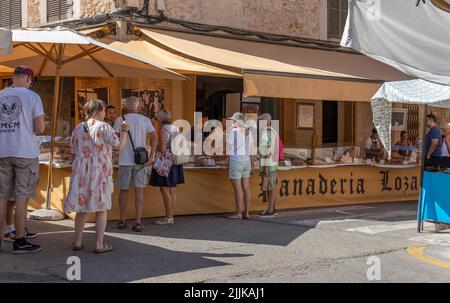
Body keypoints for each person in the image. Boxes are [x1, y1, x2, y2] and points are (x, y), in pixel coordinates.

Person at [65, 100, 128, 253]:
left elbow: (73, 151)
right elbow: (119, 146)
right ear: (99, 110)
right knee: (101, 208)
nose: (105, 112)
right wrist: (125, 131)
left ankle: (78, 242)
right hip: (99, 171)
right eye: (104, 110)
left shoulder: (78, 127)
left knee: (81, 208)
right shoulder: (104, 126)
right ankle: (99, 244)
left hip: (81, 171)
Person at [0, 66, 45, 253]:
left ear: (13, 77)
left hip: (3, 151)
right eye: (31, 80)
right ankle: (19, 240)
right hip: (25, 153)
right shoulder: (32, 97)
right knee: (21, 198)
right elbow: (40, 128)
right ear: (27, 78)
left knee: (1, 197)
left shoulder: (0, 94)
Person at [114, 96, 157, 232]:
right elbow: (154, 137)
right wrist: (152, 156)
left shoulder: (120, 120)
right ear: (138, 107)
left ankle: (122, 219)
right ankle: (138, 221)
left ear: (126, 107)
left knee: (123, 191)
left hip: (124, 160)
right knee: (139, 192)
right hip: (141, 161)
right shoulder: (144, 120)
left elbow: (115, 140)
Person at [150, 109, 185, 225]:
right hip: (174, 162)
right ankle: (171, 215)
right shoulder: (174, 127)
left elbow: (163, 148)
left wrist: (154, 145)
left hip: (165, 163)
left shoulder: (162, 129)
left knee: (164, 190)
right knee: (172, 190)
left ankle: (168, 217)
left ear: (160, 118)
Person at [226, 112, 256, 220]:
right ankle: (247, 212)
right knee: (246, 188)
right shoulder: (249, 132)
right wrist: (252, 164)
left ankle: (238, 213)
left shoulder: (234, 132)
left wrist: (226, 160)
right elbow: (252, 150)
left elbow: (228, 149)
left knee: (238, 190)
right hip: (247, 161)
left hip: (236, 161)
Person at [257, 113, 284, 218]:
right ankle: (272, 208)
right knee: (273, 187)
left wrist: (266, 166)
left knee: (270, 188)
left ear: (266, 122)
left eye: (261, 121)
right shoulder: (273, 132)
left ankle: (270, 211)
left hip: (268, 164)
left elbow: (267, 151)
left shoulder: (265, 133)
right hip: (274, 164)